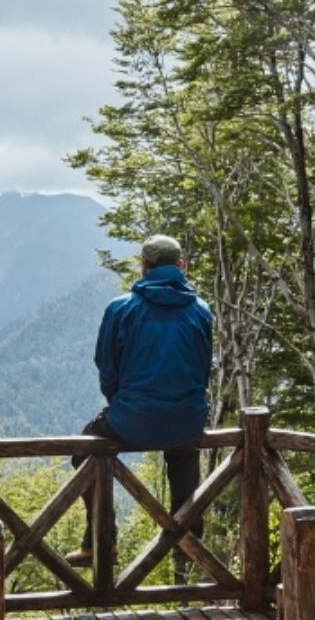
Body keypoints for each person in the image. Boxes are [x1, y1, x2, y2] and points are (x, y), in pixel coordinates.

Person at [66, 234, 213, 567]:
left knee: (83, 450)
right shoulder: (201, 310)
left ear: (143, 267)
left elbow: (107, 367)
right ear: (181, 266)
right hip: (187, 419)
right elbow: (203, 369)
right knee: (184, 454)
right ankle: (187, 543)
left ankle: (100, 543)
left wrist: (121, 403)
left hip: (131, 418)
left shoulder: (121, 308)